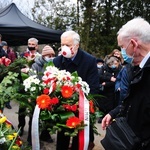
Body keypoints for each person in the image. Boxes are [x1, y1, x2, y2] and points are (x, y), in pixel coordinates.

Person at [102, 17, 150, 150]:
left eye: (123, 47)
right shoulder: (134, 68)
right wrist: (114, 113)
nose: (122, 53)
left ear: (134, 44)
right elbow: (132, 100)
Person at [53, 30, 99, 150]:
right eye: (62, 45)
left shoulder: (89, 61)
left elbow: (94, 87)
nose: (64, 48)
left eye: (67, 45)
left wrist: (84, 105)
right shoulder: (57, 61)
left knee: (79, 142)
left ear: (77, 45)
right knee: (62, 139)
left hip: (81, 109)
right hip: (63, 109)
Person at [18, 37, 41, 145]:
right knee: (22, 108)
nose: (30, 45)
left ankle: (32, 135)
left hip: (34, 87)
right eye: (29, 43)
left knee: (32, 110)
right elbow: (16, 67)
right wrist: (21, 70)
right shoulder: (22, 55)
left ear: (36, 46)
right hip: (23, 86)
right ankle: (21, 127)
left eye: (32, 44)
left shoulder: (40, 57)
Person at [97, 56, 122, 123]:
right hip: (103, 90)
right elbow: (99, 76)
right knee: (101, 103)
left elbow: (116, 80)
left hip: (111, 90)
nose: (115, 66)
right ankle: (101, 116)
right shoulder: (104, 68)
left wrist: (107, 83)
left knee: (110, 105)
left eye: (116, 64)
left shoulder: (119, 69)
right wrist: (109, 79)